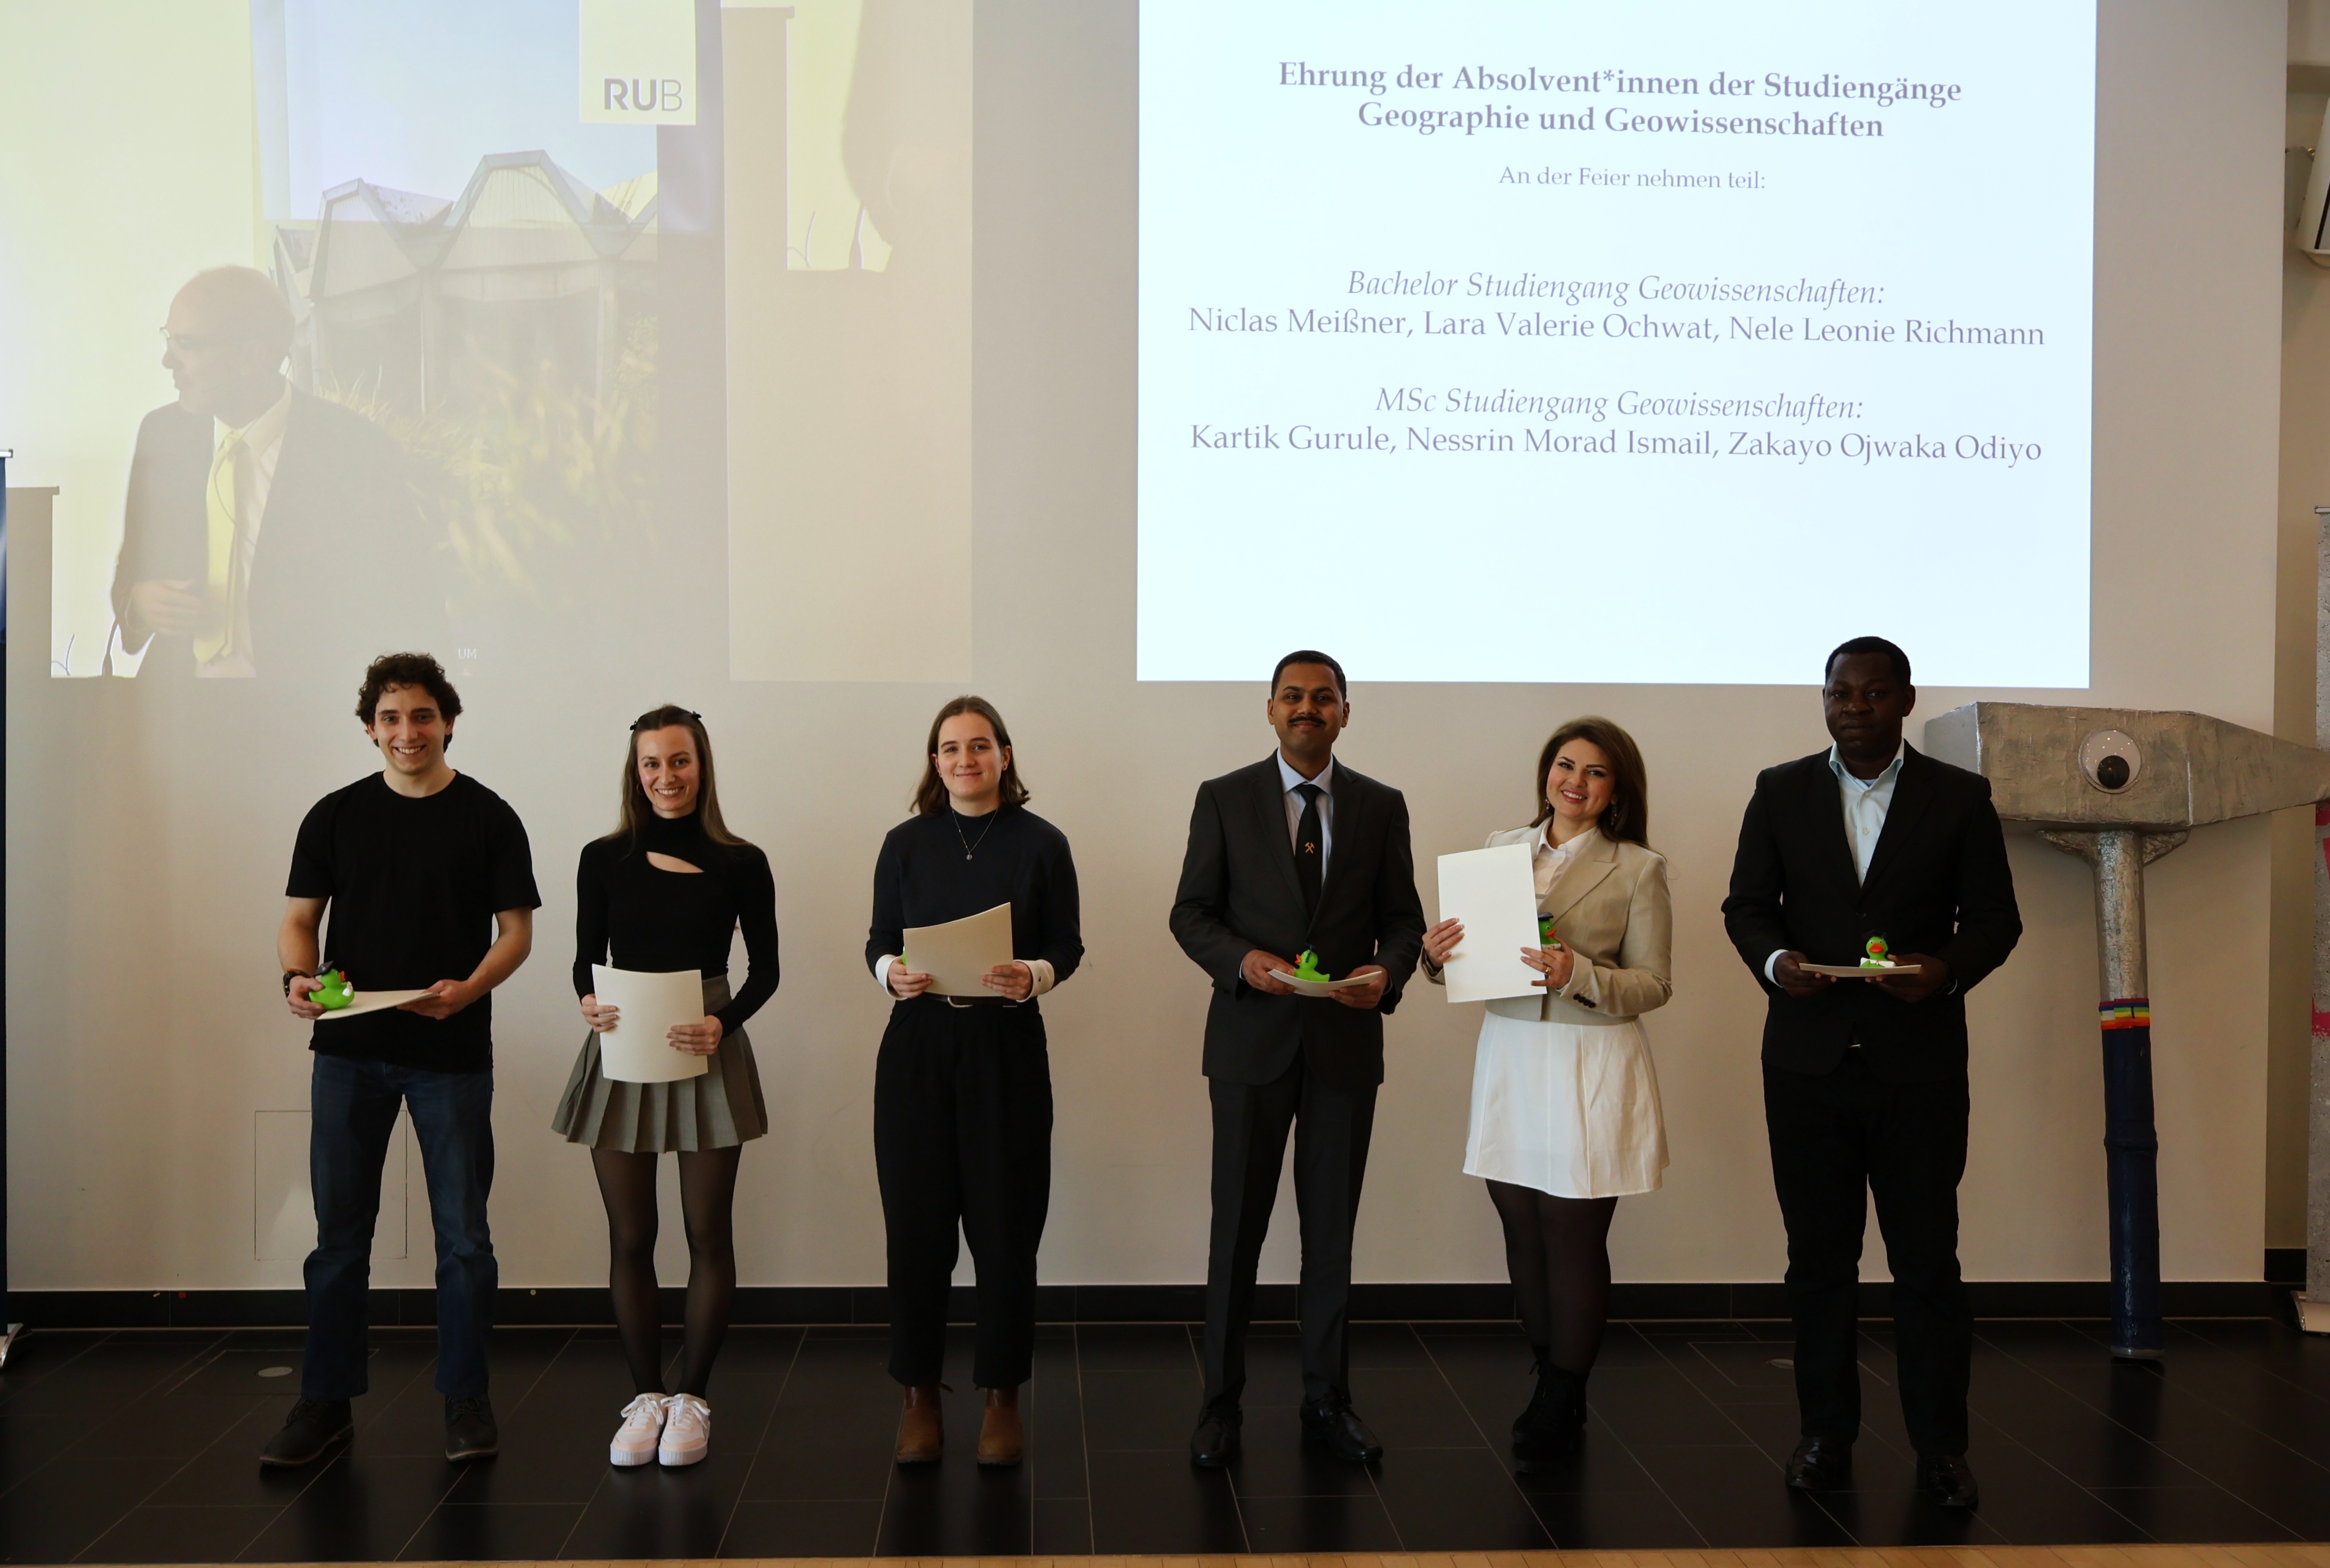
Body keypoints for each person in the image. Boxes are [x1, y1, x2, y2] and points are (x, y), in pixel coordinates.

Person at [1720, 636, 2021, 1511]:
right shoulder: (1780, 791)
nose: (1854, 708)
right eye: (1839, 694)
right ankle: (1825, 1437)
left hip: (1917, 1068)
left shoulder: (1959, 798)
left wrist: (1945, 970)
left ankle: (1941, 1450)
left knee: (1927, 1265)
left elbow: (1996, 920)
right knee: (1819, 1264)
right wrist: (1777, 963)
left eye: (1873, 693)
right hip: (1807, 1066)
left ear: (1905, 700)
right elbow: (1747, 908)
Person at [267, 652, 539, 1467]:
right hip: (349, 1054)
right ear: (369, 729)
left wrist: (471, 989)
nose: (407, 732)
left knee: (465, 1241)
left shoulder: (489, 817)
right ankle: (326, 1404)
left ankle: (466, 1399)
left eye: (422, 716)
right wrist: (297, 978)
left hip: (450, 1054)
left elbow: (517, 934)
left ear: (448, 722)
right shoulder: (335, 815)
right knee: (339, 1240)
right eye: (390, 718)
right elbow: (299, 921)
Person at [1170, 650, 1426, 1468]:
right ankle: (1220, 1406)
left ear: (1346, 711)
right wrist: (1240, 961)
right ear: (1270, 709)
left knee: (1331, 1238)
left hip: (1343, 1048)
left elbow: (1404, 920)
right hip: (1250, 1044)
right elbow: (1191, 913)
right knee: (1236, 1234)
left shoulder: (1381, 805)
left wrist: (1387, 972)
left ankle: (1328, 1402)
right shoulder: (1223, 797)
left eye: (1323, 697)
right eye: (1292, 696)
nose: (1307, 708)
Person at [1419, 717, 1672, 1470]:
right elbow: (1475, 956)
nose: (1575, 782)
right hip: (1512, 1052)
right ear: (1546, 773)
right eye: (1566, 765)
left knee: (1572, 1232)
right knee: (1521, 1225)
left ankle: (1564, 1394)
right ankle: (1547, 1370)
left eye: (1595, 772)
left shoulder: (1639, 867)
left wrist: (1579, 973)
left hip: (1589, 1058)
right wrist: (1437, 958)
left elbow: (1655, 983)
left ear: (1617, 790)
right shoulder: (1500, 850)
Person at [556, 707, 780, 1469]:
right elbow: (585, 958)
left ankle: (694, 1397)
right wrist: (588, 1000)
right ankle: (647, 1395)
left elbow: (766, 970)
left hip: (705, 1039)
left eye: (679, 761)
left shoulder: (742, 860)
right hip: (624, 1043)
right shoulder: (602, 857)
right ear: (636, 771)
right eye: (651, 763)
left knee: (707, 1231)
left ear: (702, 765)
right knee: (630, 1235)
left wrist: (724, 1022)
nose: (665, 776)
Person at [865, 696, 1082, 1467]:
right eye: (952, 748)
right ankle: (919, 1398)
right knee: (916, 1231)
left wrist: (1035, 973)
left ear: (1005, 755)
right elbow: (878, 940)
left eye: (980, 745)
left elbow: (1067, 944)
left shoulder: (1043, 842)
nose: (966, 759)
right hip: (919, 1046)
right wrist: (891, 973)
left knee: (1006, 1228)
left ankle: (1002, 1400)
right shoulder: (905, 844)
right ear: (936, 761)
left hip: (1006, 1045)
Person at [110, 265, 429, 680]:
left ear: (252, 356)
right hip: (177, 702)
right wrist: (139, 603)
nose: (168, 361)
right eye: (169, 340)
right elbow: (130, 573)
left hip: (303, 706)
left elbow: (406, 602)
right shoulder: (162, 435)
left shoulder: (356, 451)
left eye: (186, 345)